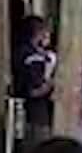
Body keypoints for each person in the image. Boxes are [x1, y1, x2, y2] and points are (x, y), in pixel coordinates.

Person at [12, 15, 56, 144]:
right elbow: (33, 90)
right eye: (45, 33)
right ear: (37, 33)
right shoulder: (32, 58)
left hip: (34, 112)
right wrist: (51, 84)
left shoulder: (31, 53)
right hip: (33, 113)